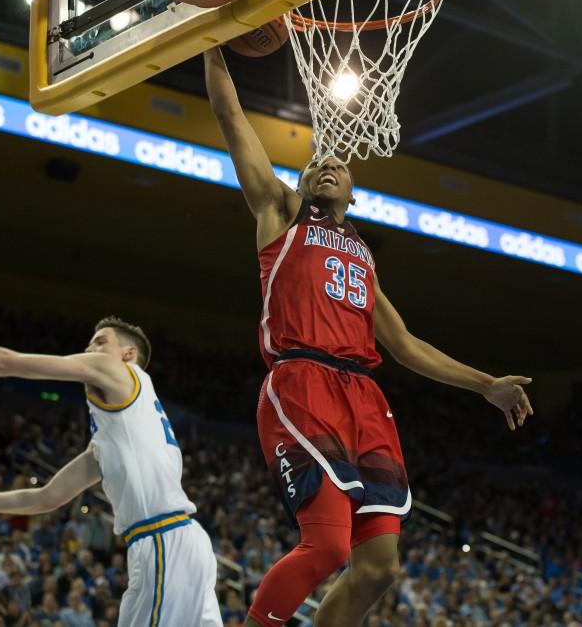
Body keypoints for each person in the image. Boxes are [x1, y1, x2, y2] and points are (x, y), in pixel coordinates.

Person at [204, 47, 534, 627]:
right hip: (301, 381)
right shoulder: (279, 213)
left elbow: (405, 345)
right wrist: (214, 46)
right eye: (313, 166)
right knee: (328, 548)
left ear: (353, 193)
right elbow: (231, 118)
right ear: (302, 183)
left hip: (364, 399)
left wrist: (486, 386)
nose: (325, 166)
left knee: (380, 569)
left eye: (337, 165)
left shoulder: (361, 257)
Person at [0, 317, 222, 626]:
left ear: (128, 355)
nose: (90, 348)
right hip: (185, 543)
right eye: (89, 342)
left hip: (162, 542)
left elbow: (7, 362)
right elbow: (46, 498)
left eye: (100, 342)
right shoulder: (117, 433)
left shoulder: (117, 371)